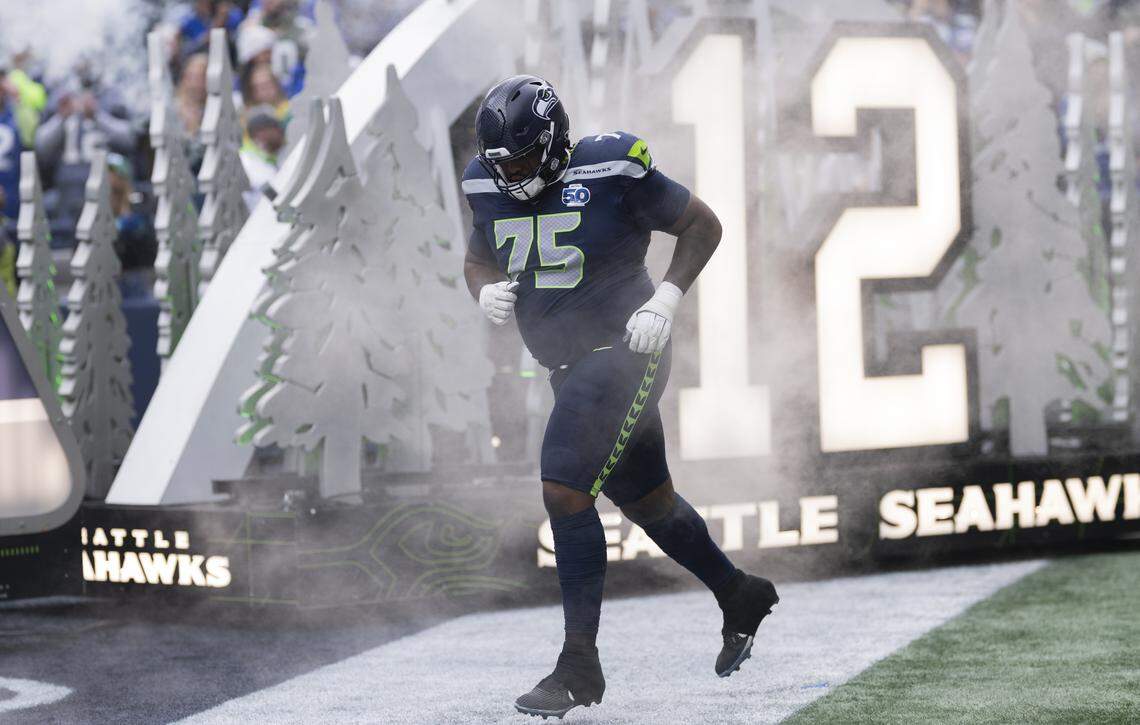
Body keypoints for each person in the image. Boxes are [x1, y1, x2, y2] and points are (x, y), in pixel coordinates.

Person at [461, 75, 779, 719]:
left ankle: (579, 666)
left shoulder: (610, 166)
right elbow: (479, 255)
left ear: (552, 143)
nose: (512, 172)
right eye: (503, 162)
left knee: (564, 487)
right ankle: (739, 592)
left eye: (523, 158)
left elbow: (702, 224)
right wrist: (482, 288)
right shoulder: (485, 182)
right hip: (567, 366)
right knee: (649, 503)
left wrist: (667, 296)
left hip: (626, 351)